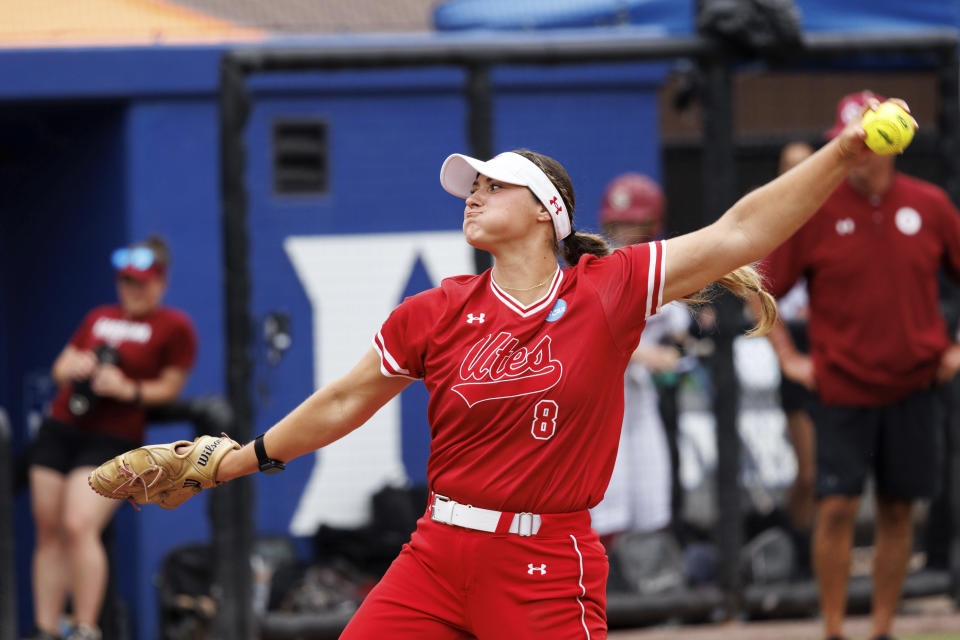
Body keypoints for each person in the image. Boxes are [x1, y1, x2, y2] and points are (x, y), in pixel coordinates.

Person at [93, 98, 904, 638]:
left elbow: (739, 232)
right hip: (437, 551)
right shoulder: (436, 310)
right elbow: (345, 400)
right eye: (470, 185)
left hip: (547, 565)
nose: (473, 194)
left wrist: (843, 152)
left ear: (548, 214)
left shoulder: (607, 289)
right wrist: (236, 460)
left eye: (493, 184)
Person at [760, 91, 959, 640]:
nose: (857, 153)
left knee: (898, 511)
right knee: (837, 507)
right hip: (842, 388)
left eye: (866, 141)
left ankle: (882, 629)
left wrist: (955, 351)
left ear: (889, 144)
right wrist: (789, 358)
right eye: (848, 143)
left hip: (915, 385)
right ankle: (832, 630)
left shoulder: (932, 205)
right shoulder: (817, 212)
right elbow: (762, 289)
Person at [29, 236, 197, 640]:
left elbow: (170, 387)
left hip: (111, 436)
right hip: (63, 425)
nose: (131, 291)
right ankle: (46, 628)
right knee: (48, 527)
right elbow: (59, 367)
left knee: (78, 522)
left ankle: (86, 628)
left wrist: (126, 389)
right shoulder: (98, 316)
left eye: (140, 283)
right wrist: (78, 366)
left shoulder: (174, 327)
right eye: (125, 282)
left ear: (160, 282)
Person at [589, 173, 690, 547]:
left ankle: (650, 590)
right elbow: (587, 333)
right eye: (618, 222)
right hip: (601, 403)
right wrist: (645, 354)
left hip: (641, 401)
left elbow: (682, 329)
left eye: (633, 222)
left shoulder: (664, 264)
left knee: (653, 499)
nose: (625, 230)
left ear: (652, 223)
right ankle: (604, 592)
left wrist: (681, 345)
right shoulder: (596, 267)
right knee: (608, 504)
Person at [774, 141, 818, 577]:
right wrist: (786, 353)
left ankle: (820, 557)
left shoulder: (834, 212)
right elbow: (756, 289)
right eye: (789, 168)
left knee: (839, 477)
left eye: (806, 168)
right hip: (795, 348)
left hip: (836, 346)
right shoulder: (769, 218)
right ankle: (795, 555)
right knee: (809, 473)